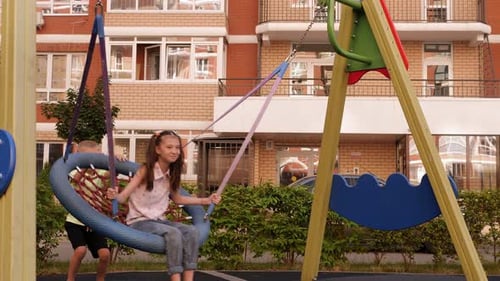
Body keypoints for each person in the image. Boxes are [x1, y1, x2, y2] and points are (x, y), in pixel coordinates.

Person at [106, 130, 221, 281]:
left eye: (177, 148)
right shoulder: (145, 170)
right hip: (139, 222)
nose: (175, 151)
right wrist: (114, 196)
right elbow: (123, 197)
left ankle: (188, 278)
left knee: (192, 231)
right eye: (169, 147)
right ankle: (175, 277)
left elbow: (178, 198)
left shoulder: (172, 173)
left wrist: (205, 200)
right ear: (158, 149)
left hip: (159, 221)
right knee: (173, 233)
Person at [65, 140, 121, 281]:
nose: (93, 161)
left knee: (105, 254)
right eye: (88, 157)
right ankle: (70, 279)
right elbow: (77, 179)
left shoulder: (100, 172)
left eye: (95, 157)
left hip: (94, 221)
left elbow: (114, 172)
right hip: (75, 221)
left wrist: (117, 157)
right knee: (80, 250)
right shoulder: (74, 170)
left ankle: (100, 279)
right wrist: (85, 165)